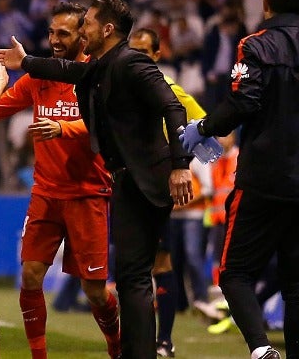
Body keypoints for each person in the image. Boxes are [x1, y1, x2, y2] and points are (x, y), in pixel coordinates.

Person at [0, 0, 194, 359]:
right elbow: (69, 72)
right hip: (110, 184)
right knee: (131, 277)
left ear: (107, 29)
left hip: (135, 183)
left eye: (85, 25)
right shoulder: (101, 66)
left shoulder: (132, 64)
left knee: (128, 280)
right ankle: (135, 351)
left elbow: (174, 106)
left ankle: (146, 346)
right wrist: (25, 64)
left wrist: (181, 164)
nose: (82, 32)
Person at [179, 0, 299, 359]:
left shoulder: (254, 46)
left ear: (266, 4)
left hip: (263, 181)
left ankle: (260, 349)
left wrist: (202, 127)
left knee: (234, 274)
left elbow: (243, 101)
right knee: (298, 286)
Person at [0, 2, 121, 359]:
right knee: (30, 276)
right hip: (46, 193)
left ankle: (117, 345)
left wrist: (63, 127)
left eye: (64, 33)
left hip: (88, 194)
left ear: (83, 36)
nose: (55, 40)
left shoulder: (99, 75)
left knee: (94, 292)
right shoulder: (39, 78)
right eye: (51, 32)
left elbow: (107, 124)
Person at [129, 28, 211, 357]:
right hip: (127, 184)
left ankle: (163, 339)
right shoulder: (121, 88)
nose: (137, 59)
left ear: (157, 56)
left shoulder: (171, 89)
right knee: (133, 267)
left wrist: (185, 164)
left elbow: (206, 128)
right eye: (133, 52)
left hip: (158, 186)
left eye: (144, 53)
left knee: (160, 263)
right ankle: (139, 339)